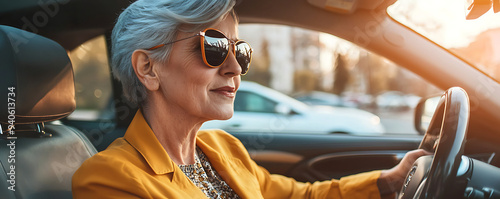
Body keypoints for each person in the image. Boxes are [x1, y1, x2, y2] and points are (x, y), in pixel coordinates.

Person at [72, 0, 429, 198]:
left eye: (239, 51)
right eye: (211, 47)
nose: (234, 68)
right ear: (149, 68)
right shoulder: (109, 180)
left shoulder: (222, 148)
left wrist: (387, 182)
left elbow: (297, 197)